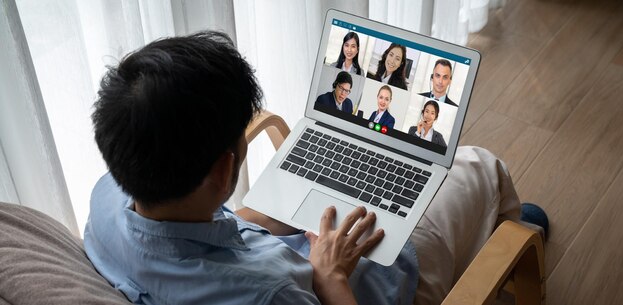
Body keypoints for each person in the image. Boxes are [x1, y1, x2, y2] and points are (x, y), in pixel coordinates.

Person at [85, 30, 546, 305]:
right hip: (366, 272)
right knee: (476, 165)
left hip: (266, 244)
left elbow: (196, 242)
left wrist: (269, 213)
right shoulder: (272, 297)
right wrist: (332, 277)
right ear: (224, 173)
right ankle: (509, 237)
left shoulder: (106, 198)